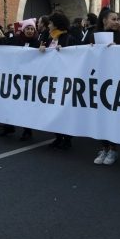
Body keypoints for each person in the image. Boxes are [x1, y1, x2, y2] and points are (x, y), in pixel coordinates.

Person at [85, 8, 120, 165]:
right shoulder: (92, 37)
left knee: (111, 116)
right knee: (100, 117)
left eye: (118, 19)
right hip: (98, 82)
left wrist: (117, 49)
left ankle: (113, 149)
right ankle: (104, 148)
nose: (117, 22)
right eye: (114, 19)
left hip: (114, 83)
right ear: (104, 21)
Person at [39, 12, 78, 150]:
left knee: (63, 110)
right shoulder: (50, 39)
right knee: (52, 109)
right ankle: (58, 136)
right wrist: (42, 50)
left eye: (50, 23)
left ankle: (66, 138)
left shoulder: (69, 39)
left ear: (56, 25)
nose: (48, 25)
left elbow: (75, 57)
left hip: (64, 80)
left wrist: (65, 51)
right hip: (51, 79)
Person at [0, 19, 40, 139]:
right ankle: (9, 126)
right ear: (23, 29)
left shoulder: (37, 43)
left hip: (28, 79)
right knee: (10, 103)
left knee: (25, 105)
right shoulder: (16, 40)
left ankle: (27, 130)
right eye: (28, 28)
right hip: (14, 77)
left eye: (32, 29)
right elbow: (5, 49)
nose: (30, 31)